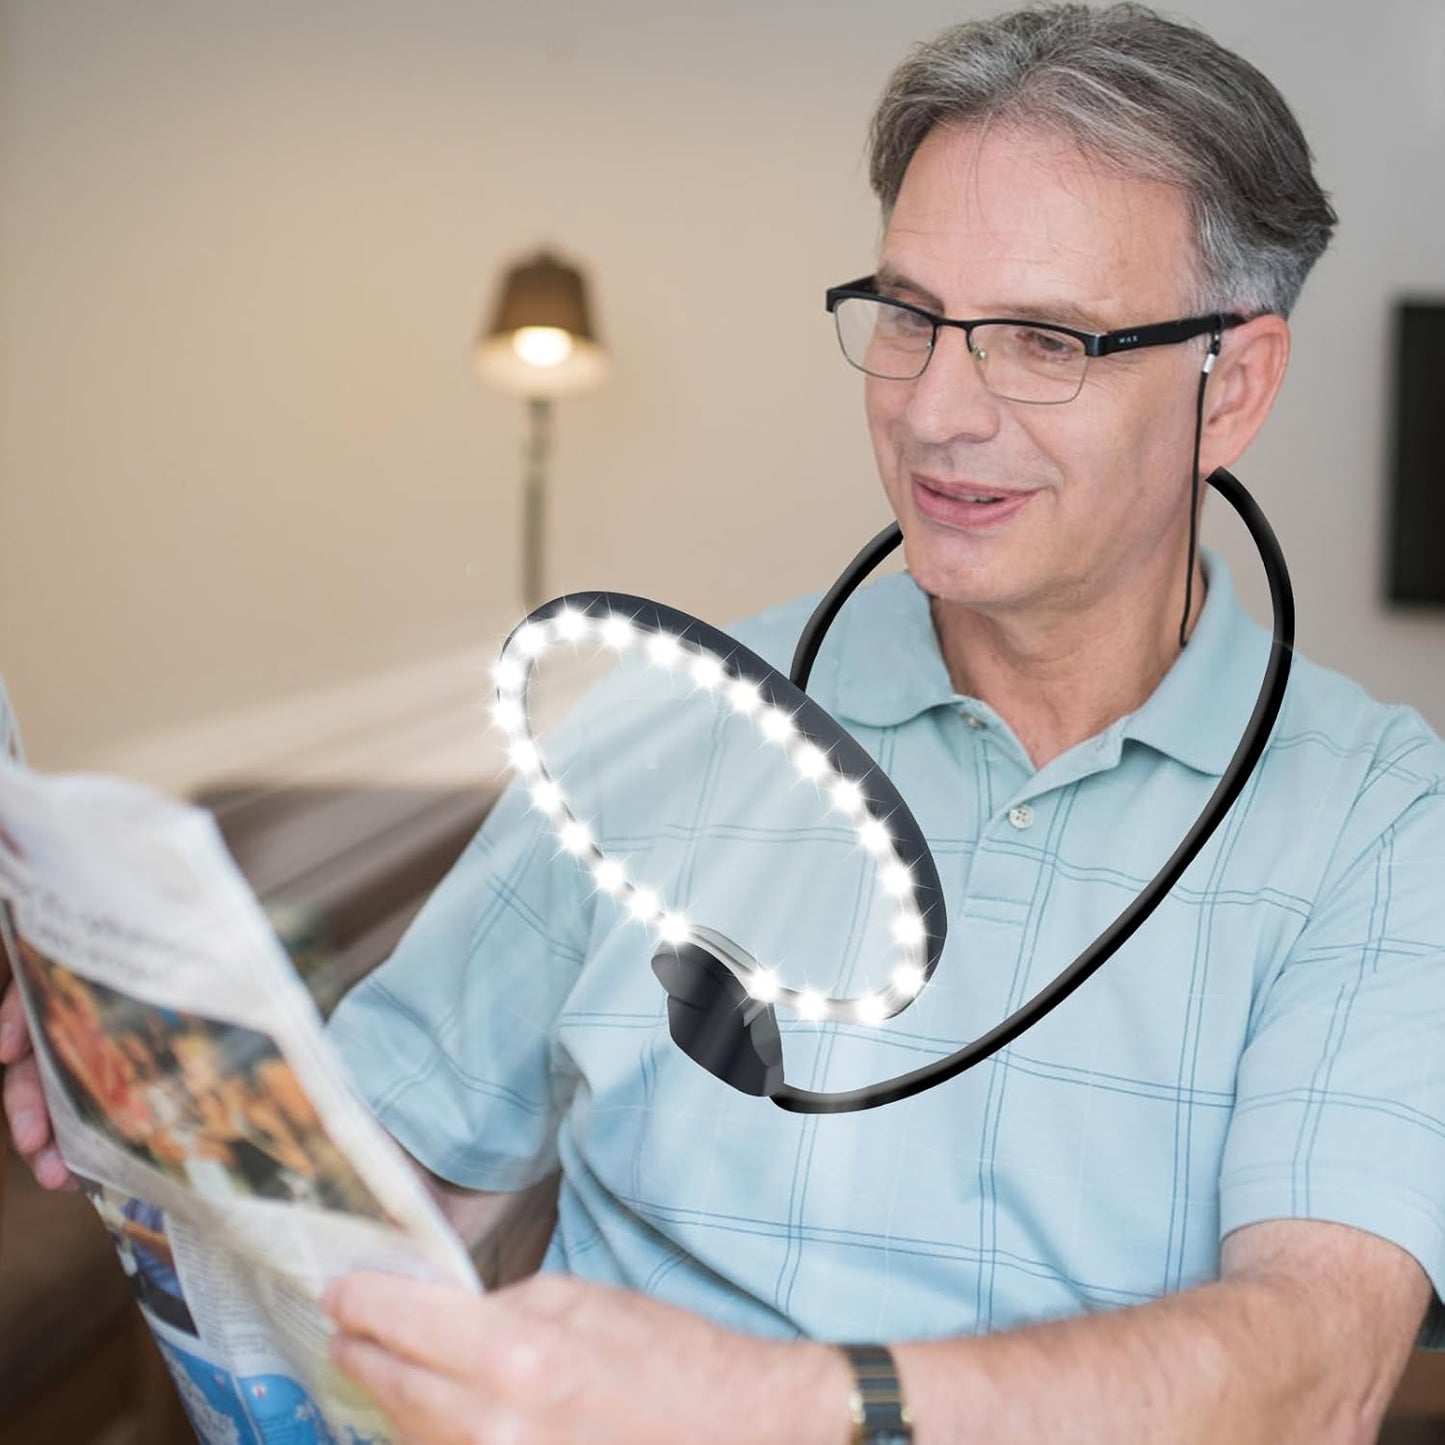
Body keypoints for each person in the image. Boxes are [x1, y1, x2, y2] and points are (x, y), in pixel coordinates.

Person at [5, 5, 1444, 1441]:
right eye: (907, 316)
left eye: (1040, 341)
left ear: (1232, 384)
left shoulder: (1378, 817)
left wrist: (763, 1403)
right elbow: (391, 1180)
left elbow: (1308, 1368)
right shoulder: (654, 727)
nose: (936, 408)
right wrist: (143, 1098)